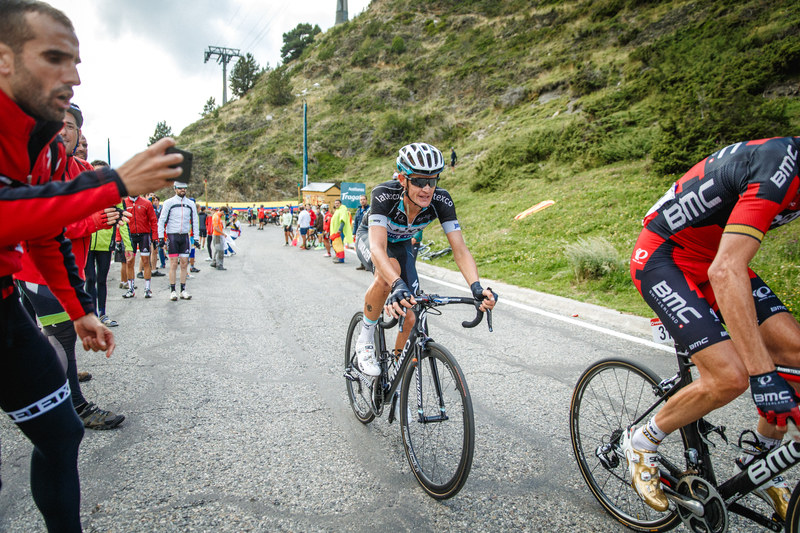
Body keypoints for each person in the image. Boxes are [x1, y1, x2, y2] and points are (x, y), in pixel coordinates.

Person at [0, 2, 184, 529]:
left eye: (77, 62)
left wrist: (80, 310)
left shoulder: (48, 142)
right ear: (5, 59)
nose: (74, 78)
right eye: (56, 58)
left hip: (6, 307)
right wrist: (114, 183)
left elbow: (41, 233)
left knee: (61, 433)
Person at [627, 136, 800, 518]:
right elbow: (726, 272)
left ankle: (762, 459)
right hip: (664, 259)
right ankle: (641, 441)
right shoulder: (780, 165)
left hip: (713, 258)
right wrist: (763, 374)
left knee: (796, 355)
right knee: (732, 377)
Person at [354, 142, 497, 377]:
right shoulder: (384, 194)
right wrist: (397, 284)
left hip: (401, 244)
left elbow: (459, 249)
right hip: (371, 238)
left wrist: (476, 287)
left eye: (432, 180)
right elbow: (378, 248)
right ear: (402, 179)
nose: (427, 188)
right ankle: (365, 338)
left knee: (411, 316)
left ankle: (398, 384)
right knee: (387, 274)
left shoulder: (441, 200)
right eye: (419, 181)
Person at [158, 181, 199, 300]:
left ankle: (183, 290)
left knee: (184, 264)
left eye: (185, 188)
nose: (183, 190)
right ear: (175, 189)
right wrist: (161, 237)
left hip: (185, 236)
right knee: (173, 264)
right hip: (172, 236)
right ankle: (172, 291)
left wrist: (196, 238)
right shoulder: (168, 202)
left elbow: (195, 221)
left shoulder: (190, 203)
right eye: (180, 188)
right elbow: (161, 221)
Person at [123, 187, 159, 298]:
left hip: (144, 235)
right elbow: (120, 222)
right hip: (130, 236)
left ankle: (147, 289)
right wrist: (118, 240)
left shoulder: (146, 203)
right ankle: (131, 289)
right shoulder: (123, 203)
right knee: (129, 262)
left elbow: (153, 220)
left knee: (146, 262)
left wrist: (155, 238)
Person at [330, 199, 352, 264]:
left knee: (339, 245)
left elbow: (343, 220)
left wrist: (340, 229)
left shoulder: (342, 210)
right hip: (335, 231)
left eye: (338, 203)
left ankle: (341, 259)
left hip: (339, 231)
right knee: (336, 244)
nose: (336, 204)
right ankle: (338, 257)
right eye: (335, 203)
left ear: (340, 204)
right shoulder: (338, 210)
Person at [210, 206, 227, 270]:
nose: (224, 215)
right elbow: (215, 228)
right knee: (220, 250)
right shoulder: (216, 217)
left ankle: (214, 262)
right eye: (224, 213)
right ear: (222, 211)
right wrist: (223, 233)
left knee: (217, 249)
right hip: (217, 235)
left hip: (218, 234)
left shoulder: (217, 216)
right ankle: (219, 264)